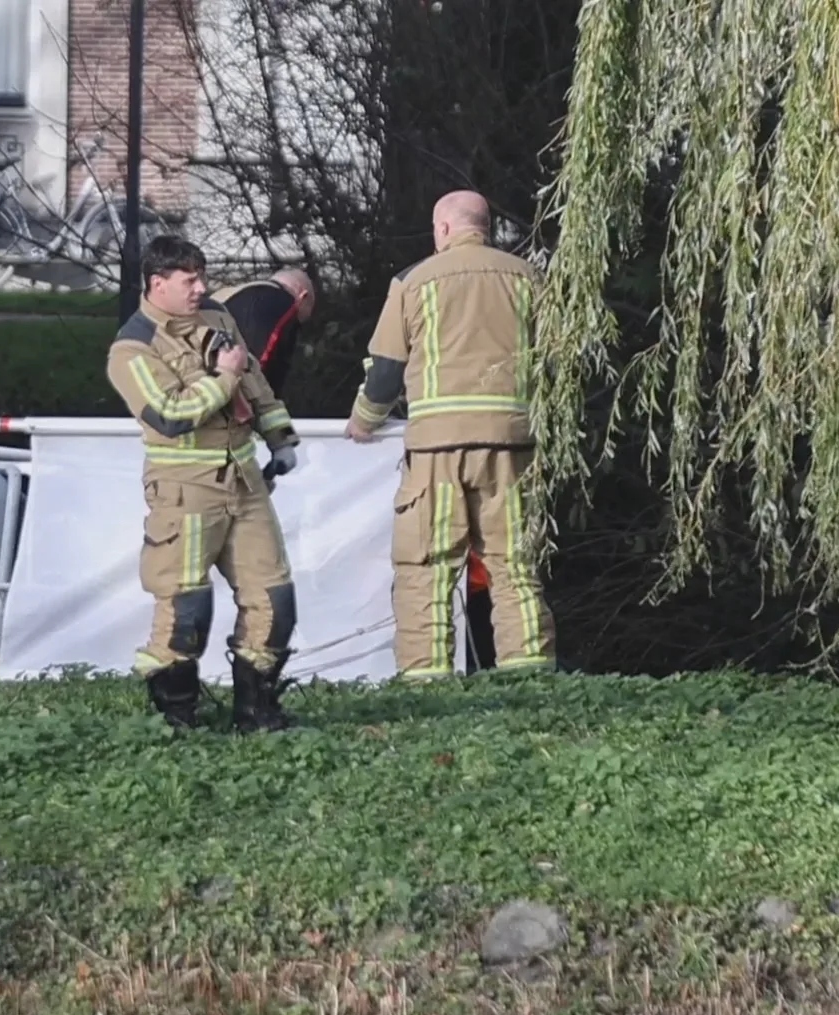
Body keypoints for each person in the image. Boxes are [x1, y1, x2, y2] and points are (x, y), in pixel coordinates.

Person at [345, 189, 557, 677]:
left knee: (428, 565)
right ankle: (530, 672)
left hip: (437, 448)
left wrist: (363, 421)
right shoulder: (530, 279)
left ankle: (427, 678)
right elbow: (554, 363)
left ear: (442, 229)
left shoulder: (413, 281)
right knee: (515, 562)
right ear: (485, 226)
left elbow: (384, 373)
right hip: (511, 443)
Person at [106, 235, 304, 732]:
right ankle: (177, 718)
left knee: (274, 598)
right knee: (185, 608)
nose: (202, 288)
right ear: (158, 284)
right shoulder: (133, 348)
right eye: (189, 280)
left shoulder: (218, 316)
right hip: (185, 490)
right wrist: (222, 378)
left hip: (245, 483)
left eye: (201, 277)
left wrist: (279, 437)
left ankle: (257, 711)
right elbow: (171, 415)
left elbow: (254, 380)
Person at [210, 267, 316, 396]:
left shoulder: (224, 297)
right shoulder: (284, 303)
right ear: (303, 296)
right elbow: (264, 361)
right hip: (236, 396)